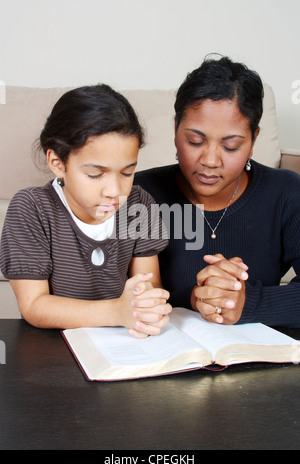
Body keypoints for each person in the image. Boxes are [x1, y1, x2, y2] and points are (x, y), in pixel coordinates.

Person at [135, 55, 300, 328]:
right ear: (175, 128)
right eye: (195, 141)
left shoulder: (286, 194)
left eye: (231, 146)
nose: (210, 160)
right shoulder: (140, 195)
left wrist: (246, 302)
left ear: (254, 139)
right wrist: (194, 297)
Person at [0, 84, 171, 337]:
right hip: (52, 348)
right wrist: (116, 312)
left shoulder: (139, 205)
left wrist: (148, 305)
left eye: (127, 172)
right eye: (95, 174)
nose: (114, 190)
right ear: (57, 163)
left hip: (123, 343)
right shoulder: (31, 208)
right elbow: (34, 305)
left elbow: (148, 285)